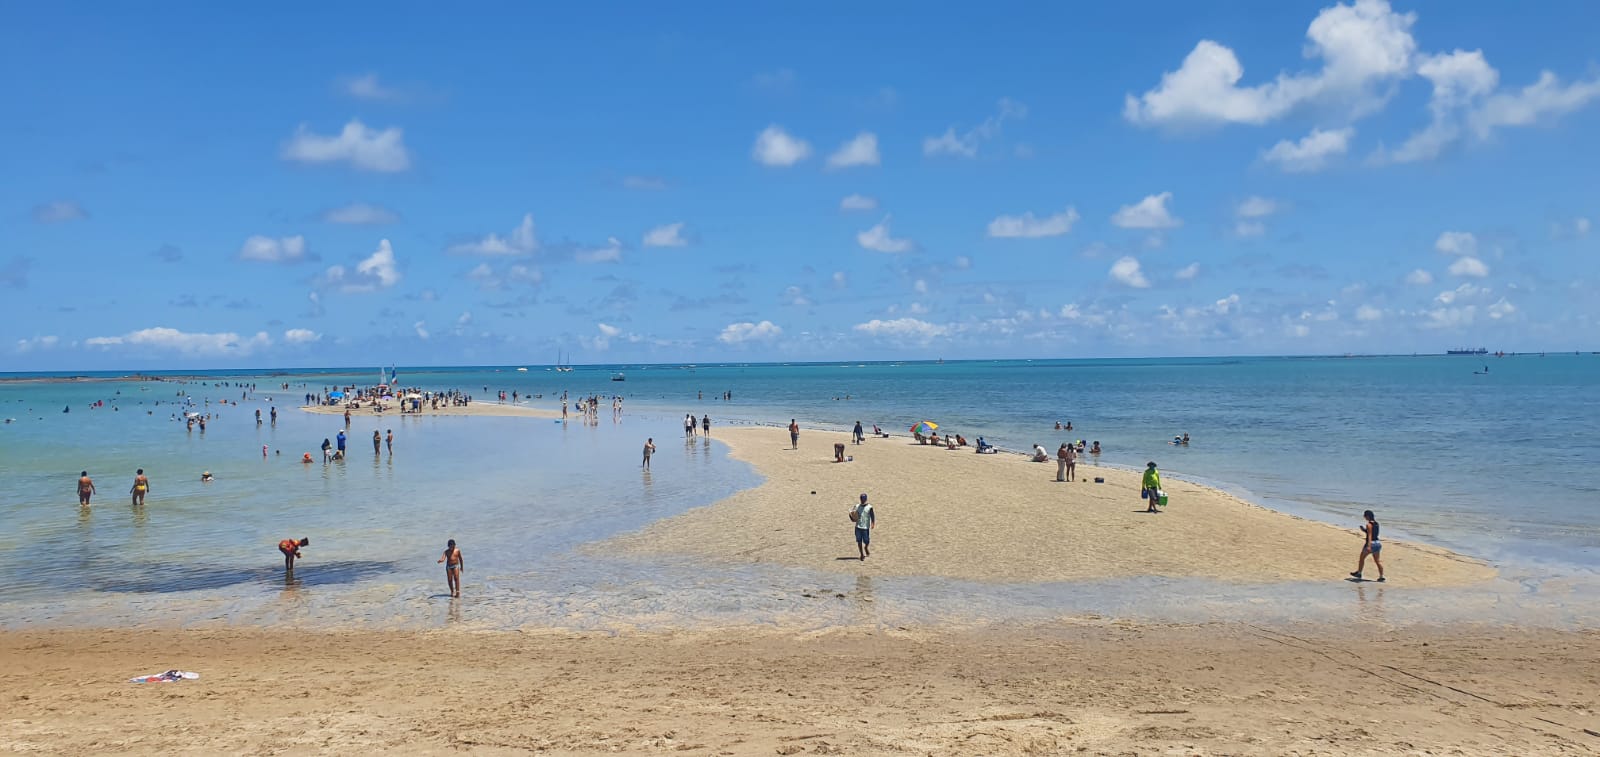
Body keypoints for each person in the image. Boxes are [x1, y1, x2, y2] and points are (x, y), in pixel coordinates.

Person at [1350, 510, 1385, 582]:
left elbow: (1369, 535)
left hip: (1371, 543)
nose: (1364, 517)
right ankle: (1381, 576)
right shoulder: (1376, 524)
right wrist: (1364, 530)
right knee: (1377, 561)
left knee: (1362, 558)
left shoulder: (1368, 525)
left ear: (1367, 516)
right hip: (1378, 543)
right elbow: (1374, 533)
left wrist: (1368, 546)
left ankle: (1359, 573)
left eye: (1365, 516)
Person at [851, 493, 875, 560]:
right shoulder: (857, 506)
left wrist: (873, 523)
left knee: (867, 541)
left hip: (865, 528)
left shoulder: (869, 507)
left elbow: (872, 515)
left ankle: (866, 547)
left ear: (866, 499)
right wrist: (852, 518)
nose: (862, 500)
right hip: (858, 527)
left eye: (863, 499)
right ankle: (861, 554)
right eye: (861, 499)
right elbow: (852, 515)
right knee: (859, 541)